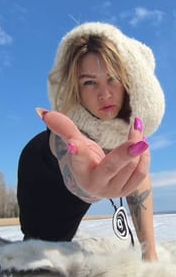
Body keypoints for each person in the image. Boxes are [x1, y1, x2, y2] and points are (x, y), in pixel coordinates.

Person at [17, 22, 165, 261]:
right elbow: (67, 148)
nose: (104, 94)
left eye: (113, 78)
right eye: (89, 82)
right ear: (76, 89)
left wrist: (150, 255)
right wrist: (89, 189)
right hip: (41, 169)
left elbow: (139, 176)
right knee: (42, 249)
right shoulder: (65, 137)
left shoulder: (131, 124)